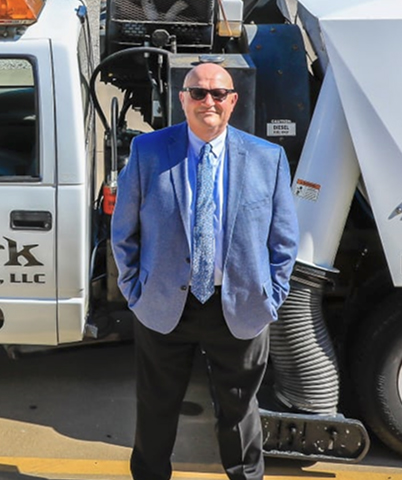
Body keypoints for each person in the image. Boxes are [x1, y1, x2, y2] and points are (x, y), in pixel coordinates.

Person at [111, 62, 300, 480]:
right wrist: (135, 291)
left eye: (218, 94)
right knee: (156, 409)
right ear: (182, 99)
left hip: (240, 307)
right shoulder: (149, 152)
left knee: (238, 412)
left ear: (233, 101)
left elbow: (284, 240)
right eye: (198, 93)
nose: (208, 101)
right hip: (164, 306)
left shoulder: (267, 159)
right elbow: (123, 231)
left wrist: (273, 296)